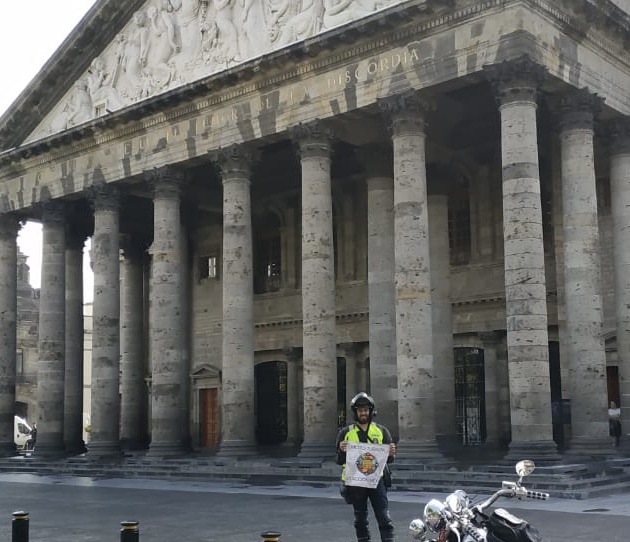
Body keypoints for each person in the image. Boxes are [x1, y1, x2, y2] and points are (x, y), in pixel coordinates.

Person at [336, 392, 396, 542]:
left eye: (366, 410)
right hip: (356, 482)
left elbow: (388, 459)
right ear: (355, 412)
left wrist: (391, 452)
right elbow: (339, 460)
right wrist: (341, 450)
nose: (363, 413)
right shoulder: (345, 433)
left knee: (384, 517)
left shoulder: (382, 431)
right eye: (360, 410)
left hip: (377, 480)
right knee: (360, 519)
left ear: (370, 411)